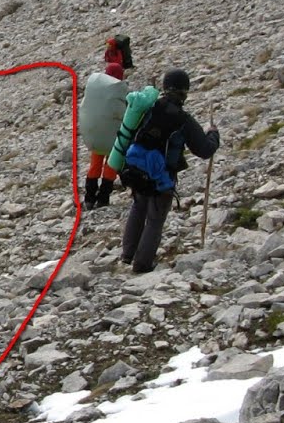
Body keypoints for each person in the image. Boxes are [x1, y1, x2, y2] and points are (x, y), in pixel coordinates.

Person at [119, 69, 220, 274]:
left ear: (164, 87)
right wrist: (213, 135)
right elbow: (204, 150)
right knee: (155, 219)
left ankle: (127, 255)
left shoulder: (147, 108)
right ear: (184, 91)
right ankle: (142, 264)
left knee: (138, 208)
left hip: (136, 168)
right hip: (162, 176)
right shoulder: (183, 120)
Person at [78, 61, 128, 209]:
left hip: (97, 134)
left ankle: (89, 199)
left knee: (94, 166)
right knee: (111, 166)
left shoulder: (96, 90)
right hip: (115, 136)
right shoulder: (121, 89)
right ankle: (103, 198)